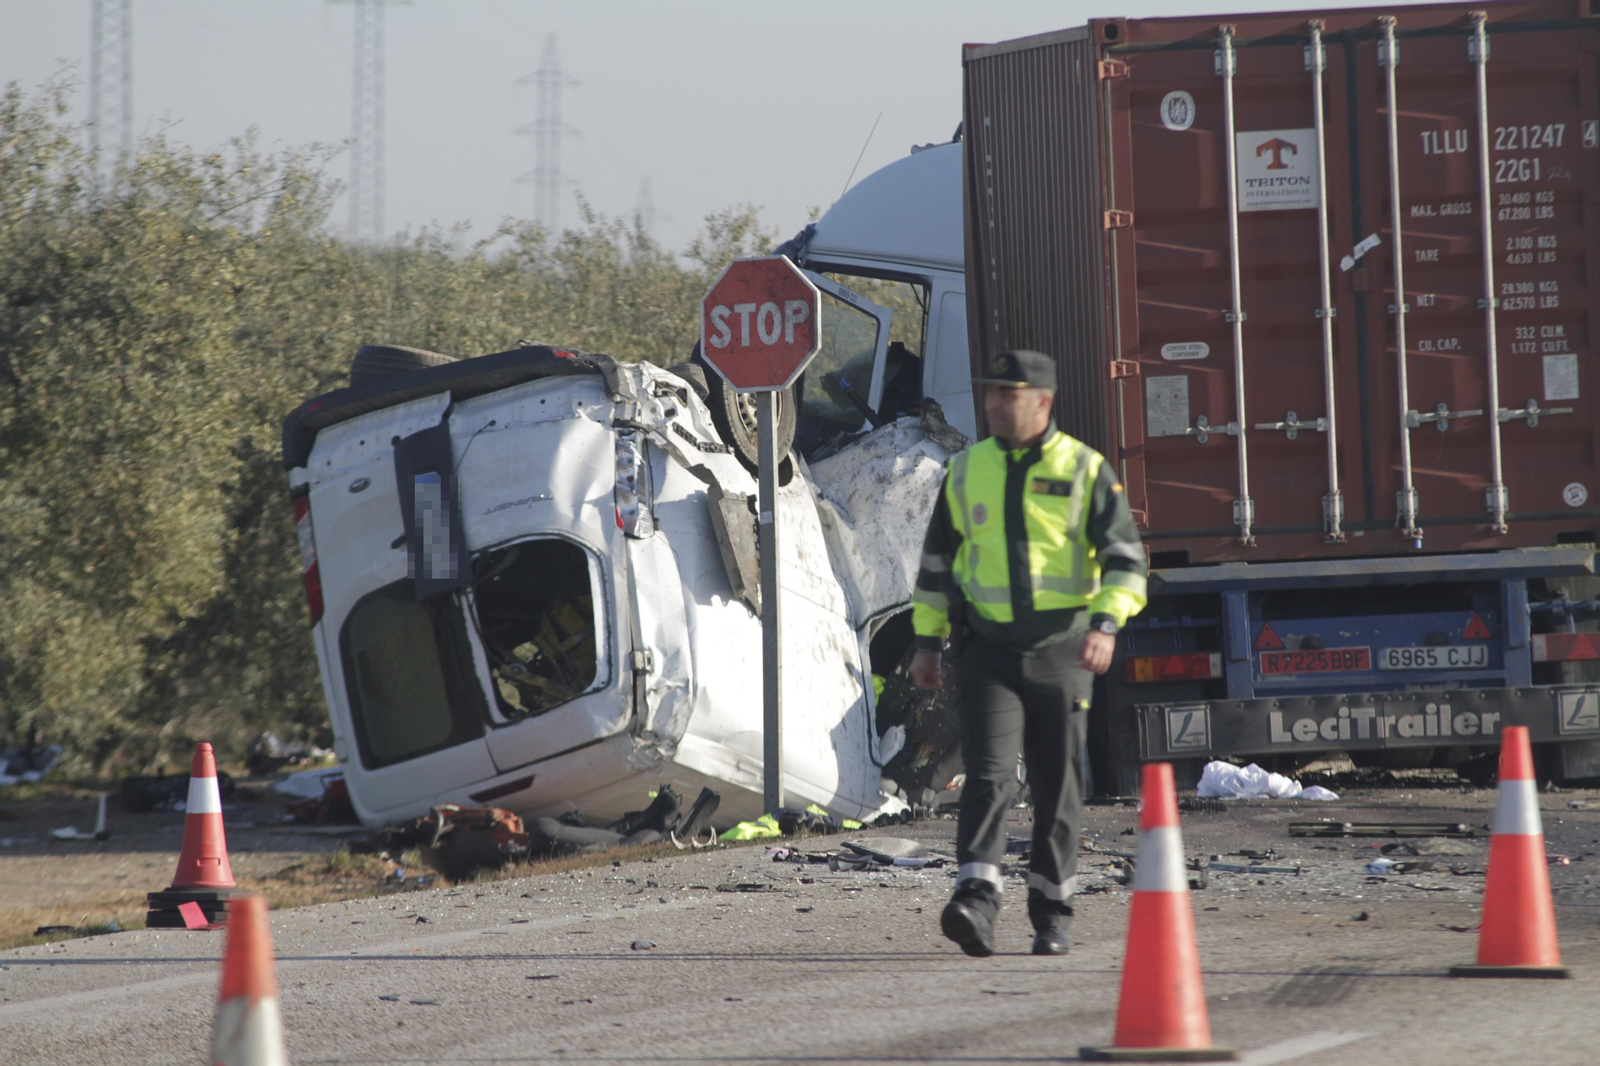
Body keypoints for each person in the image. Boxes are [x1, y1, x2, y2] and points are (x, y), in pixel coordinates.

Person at [909, 349, 1147, 956]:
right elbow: (937, 566)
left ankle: (1052, 914)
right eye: (990, 394)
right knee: (988, 777)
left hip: (1064, 653)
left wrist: (1106, 624)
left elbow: (1126, 562)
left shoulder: (1086, 471)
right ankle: (975, 904)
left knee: (1057, 787)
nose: (992, 405)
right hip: (987, 652)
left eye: (1006, 396)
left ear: (1042, 402)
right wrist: (926, 643)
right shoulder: (966, 471)